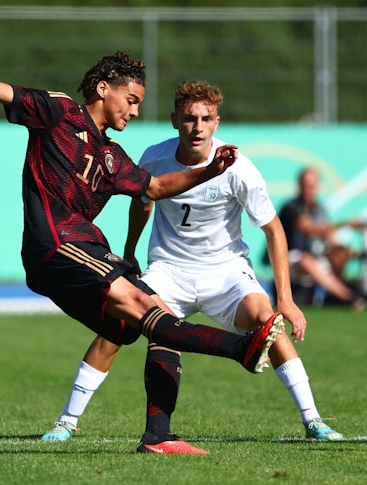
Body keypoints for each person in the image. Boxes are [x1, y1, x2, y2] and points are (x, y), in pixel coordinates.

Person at [0, 53, 285, 426]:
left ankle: (155, 435)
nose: (134, 112)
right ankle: (240, 348)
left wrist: (209, 171)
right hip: (58, 243)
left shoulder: (113, 157)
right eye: (131, 100)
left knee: (137, 321)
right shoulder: (60, 113)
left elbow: (155, 188)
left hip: (78, 251)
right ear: (103, 89)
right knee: (143, 304)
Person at [40, 80, 344, 454]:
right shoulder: (155, 158)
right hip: (169, 270)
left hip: (226, 272)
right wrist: (130, 250)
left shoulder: (239, 169)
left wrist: (287, 299)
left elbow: (274, 229)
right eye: (189, 118)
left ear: (217, 122)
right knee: (118, 325)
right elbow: (143, 202)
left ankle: (313, 419)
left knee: (268, 323)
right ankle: (67, 422)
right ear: (174, 120)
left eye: (206, 118)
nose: (197, 127)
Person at [279, 168, 367, 309]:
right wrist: (346, 224)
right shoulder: (290, 208)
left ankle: (332, 296)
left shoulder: (320, 209)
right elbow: (309, 229)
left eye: (312, 185)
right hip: (292, 259)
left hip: (316, 257)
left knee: (341, 253)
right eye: (305, 185)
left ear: (317, 186)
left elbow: (329, 238)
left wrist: (346, 250)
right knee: (305, 259)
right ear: (299, 185)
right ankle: (349, 296)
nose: (309, 189)